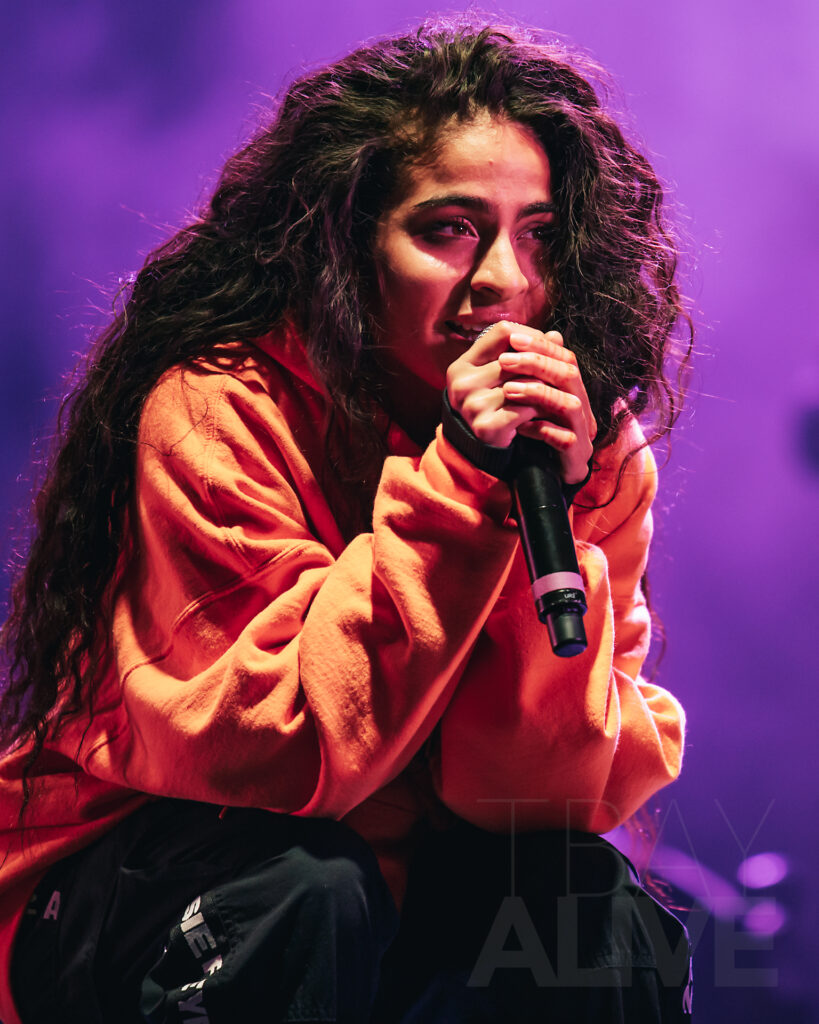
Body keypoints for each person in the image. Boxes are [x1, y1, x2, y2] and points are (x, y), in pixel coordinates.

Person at [0, 17, 694, 1023]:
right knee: (307, 886)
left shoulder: (586, 449)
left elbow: (533, 797)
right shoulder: (221, 406)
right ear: (346, 242)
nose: (505, 280)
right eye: (450, 228)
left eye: (537, 234)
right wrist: (461, 484)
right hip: (160, 881)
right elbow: (284, 756)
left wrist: (527, 499)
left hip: (399, 894)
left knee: (590, 916)